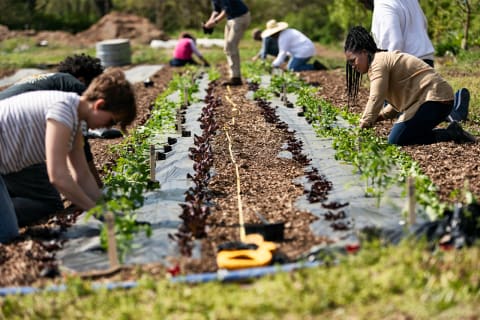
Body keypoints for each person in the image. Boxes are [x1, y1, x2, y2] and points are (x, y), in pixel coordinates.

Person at [0, 68, 136, 243]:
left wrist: (106, 209)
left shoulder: (75, 120)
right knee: (7, 234)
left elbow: (82, 175)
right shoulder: (63, 110)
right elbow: (58, 177)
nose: (109, 128)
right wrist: (97, 213)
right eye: (111, 121)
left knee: (8, 229)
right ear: (99, 105)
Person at [344, 26, 476, 146]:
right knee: (401, 137)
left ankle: (450, 134)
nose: (353, 66)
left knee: (396, 140)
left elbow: (376, 97)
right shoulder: (381, 61)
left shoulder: (378, 63)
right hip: (434, 101)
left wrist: (364, 125)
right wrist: (380, 116)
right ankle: (451, 133)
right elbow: (400, 100)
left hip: (435, 100)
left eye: (353, 61)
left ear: (364, 52)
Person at [0, 54, 106, 187]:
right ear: (82, 80)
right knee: (48, 202)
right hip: (9, 139)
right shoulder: (75, 88)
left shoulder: (53, 81)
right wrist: (99, 188)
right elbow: (81, 149)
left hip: (10, 133)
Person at [358, 0, 469, 122]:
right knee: (420, 103)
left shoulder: (383, 5)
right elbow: (424, 23)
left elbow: (393, 43)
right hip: (424, 61)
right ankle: (447, 106)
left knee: (404, 112)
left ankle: (452, 112)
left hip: (408, 69)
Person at [203, 0, 251, 86]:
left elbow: (226, 10)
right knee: (226, 47)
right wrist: (209, 22)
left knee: (231, 45)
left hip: (241, 17)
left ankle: (236, 78)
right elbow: (216, 11)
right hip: (231, 19)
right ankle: (234, 75)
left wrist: (214, 22)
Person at [261, 20, 326, 71]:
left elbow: (282, 53)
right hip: (307, 49)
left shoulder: (283, 37)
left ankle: (315, 67)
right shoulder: (288, 31)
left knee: (292, 68)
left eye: (271, 35)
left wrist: (274, 64)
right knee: (293, 64)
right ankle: (313, 66)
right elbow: (288, 50)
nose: (271, 36)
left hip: (304, 51)